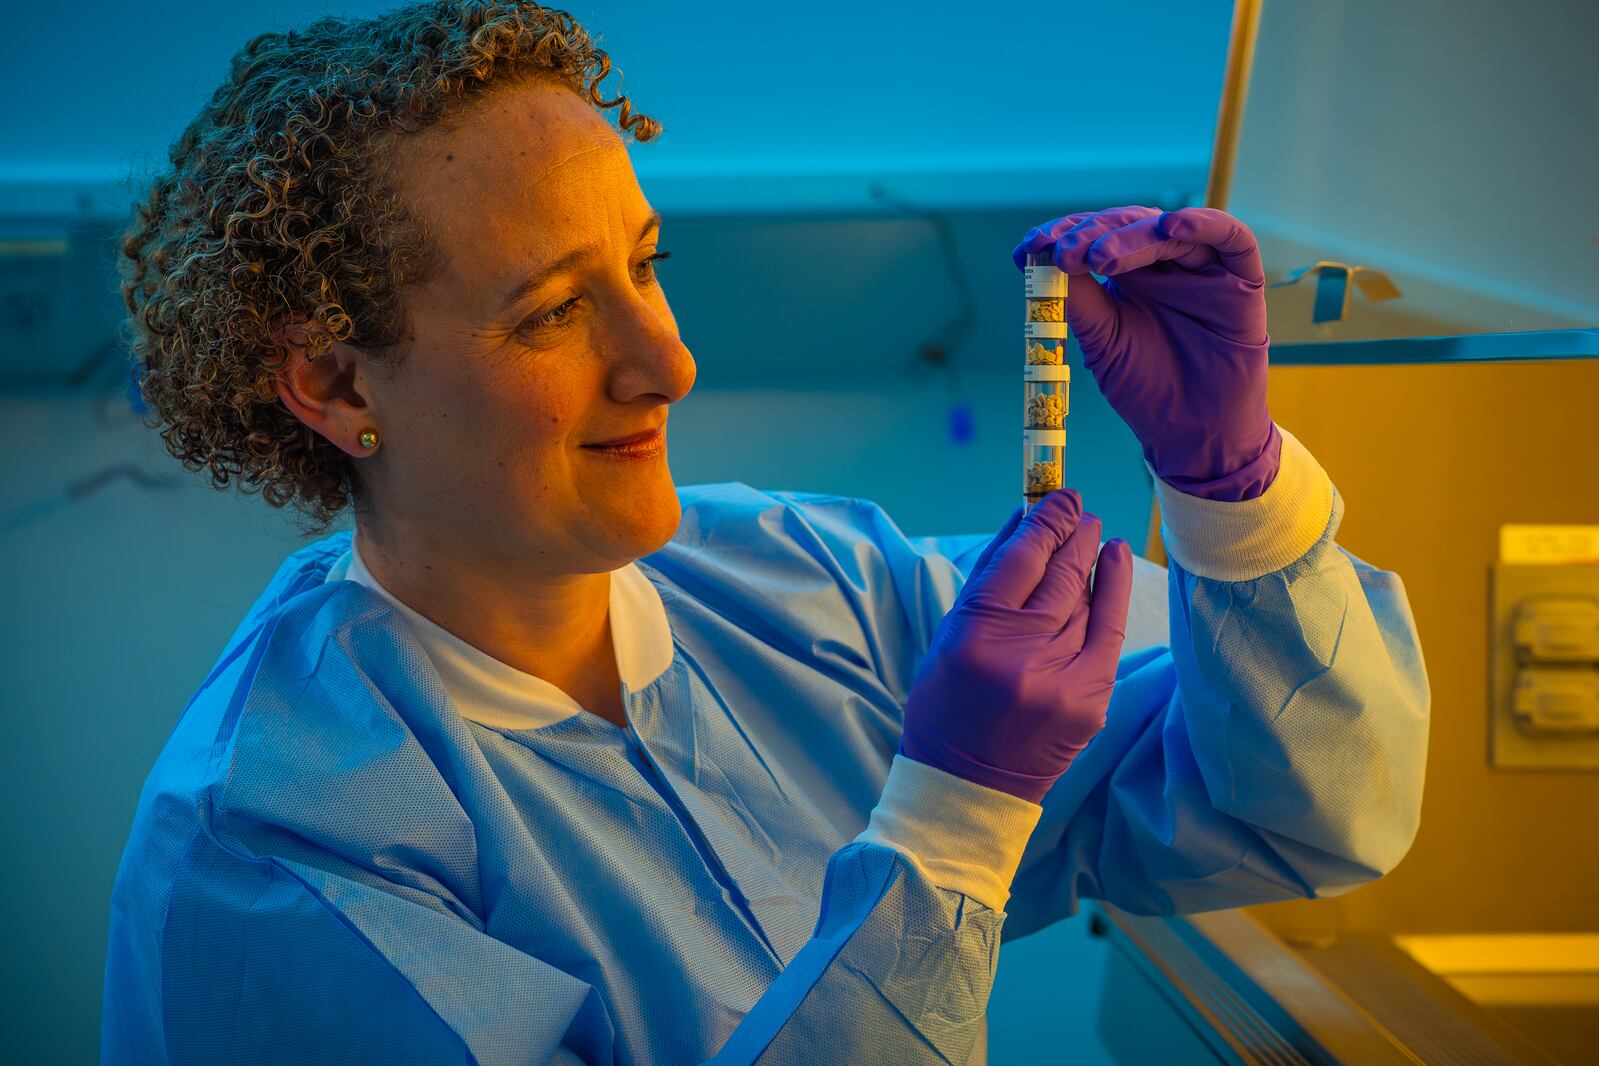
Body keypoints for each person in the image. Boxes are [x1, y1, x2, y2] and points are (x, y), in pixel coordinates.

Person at [101, 3, 1430, 1063]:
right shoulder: (274, 849)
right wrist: (955, 815)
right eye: (555, 311)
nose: (668, 362)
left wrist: (1233, 489)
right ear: (334, 385)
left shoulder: (807, 582)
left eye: (645, 265)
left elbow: (1302, 816)